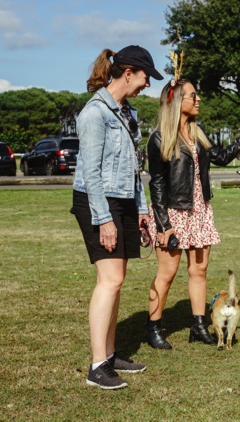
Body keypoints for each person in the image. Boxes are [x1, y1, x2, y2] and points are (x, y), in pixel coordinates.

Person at [72, 45, 163, 389]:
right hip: (98, 201)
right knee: (108, 281)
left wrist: (140, 211)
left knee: (118, 280)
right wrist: (104, 218)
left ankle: (110, 355)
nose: (146, 85)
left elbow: (134, 167)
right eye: (144, 78)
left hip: (123, 201)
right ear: (128, 74)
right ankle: (97, 367)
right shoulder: (95, 112)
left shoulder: (127, 112)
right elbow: (91, 172)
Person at [144, 76, 240, 349]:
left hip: (199, 210)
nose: (198, 99)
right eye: (193, 95)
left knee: (200, 270)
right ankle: (154, 327)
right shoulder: (159, 138)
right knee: (167, 273)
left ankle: (199, 325)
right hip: (171, 212)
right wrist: (163, 225)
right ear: (176, 101)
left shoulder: (197, 131)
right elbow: (156, 185)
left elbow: (222, 157)